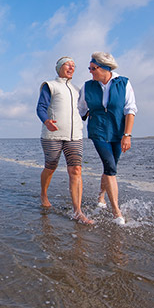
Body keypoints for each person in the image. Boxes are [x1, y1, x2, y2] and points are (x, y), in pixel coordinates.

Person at [78, 52, 137, 226]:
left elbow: (130, 110)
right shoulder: (87, 86)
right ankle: (116, 211)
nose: (90, 72)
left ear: (105, 68)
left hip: (119, 132)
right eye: (89, 68)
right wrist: (91, 115)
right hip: (98, 132)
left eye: (93, 68)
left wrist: (127, 135)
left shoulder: (124, 83)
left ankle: (101, 196)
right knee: (110, 167)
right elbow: (81, 108)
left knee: (110, 166)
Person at [36, 56, 93, 224]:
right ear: (59, 67)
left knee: (76, 170)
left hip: (75, 135)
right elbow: (40, 107)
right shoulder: (50, 86)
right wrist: (46, 121)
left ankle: (78, 211)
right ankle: (44, 194)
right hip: (52, 134)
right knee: (51, 166)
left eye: (74, 65)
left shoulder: (77, 90)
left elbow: (83, 113)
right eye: (68, 64)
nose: (71, 67)